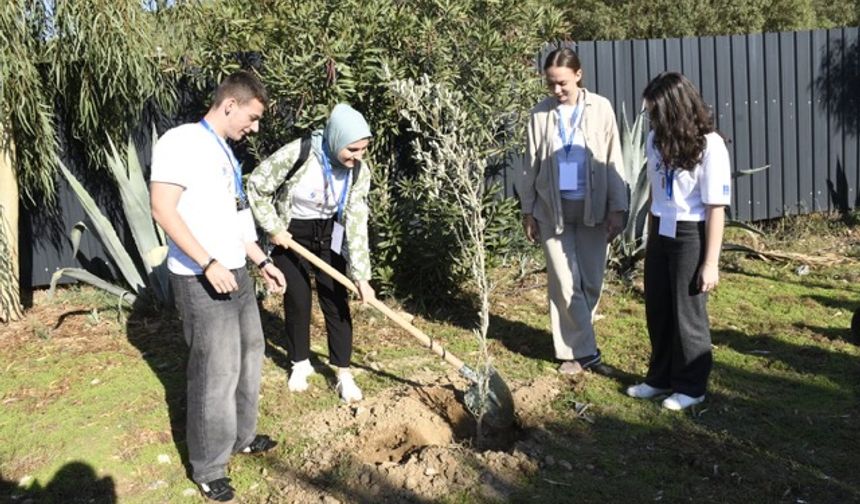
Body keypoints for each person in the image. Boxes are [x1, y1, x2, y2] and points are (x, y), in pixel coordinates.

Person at [150, 70, 286, 502]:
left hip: (235, 271)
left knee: (250, 355)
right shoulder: (181, 142)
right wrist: (206, 262)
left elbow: (233, 215)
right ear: (229, 104)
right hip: (201, 277)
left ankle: (241, 437)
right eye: (252, 116)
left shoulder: (226, 152)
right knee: (215, 372)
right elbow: (162, 209)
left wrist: (259, 259)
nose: (256, 127)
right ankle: (209, 467)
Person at [247, 103, 374, 403]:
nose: (357, 157)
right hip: (291, 234)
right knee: (298, 298)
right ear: (335, 139)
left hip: (331, 233)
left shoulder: (359, 172)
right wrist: (274, 228)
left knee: (336, 299)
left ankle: (343, 372)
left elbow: (356, 221)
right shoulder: (301, 153)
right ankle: (299, 363)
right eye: (352, 150)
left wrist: (362, 276)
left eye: (363, 150)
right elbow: (257, 185)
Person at [519, 47, 628, 375]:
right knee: (565, 283)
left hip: (594, 208)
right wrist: (528, 211)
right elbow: (528, 167)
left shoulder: (601, 109)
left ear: (578, 75)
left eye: (562, 83)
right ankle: (581, 353)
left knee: (591, 282)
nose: (556, 90)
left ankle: (580, 341)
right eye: (550, 84)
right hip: (552, 209)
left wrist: (618, 207)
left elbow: (613, 159)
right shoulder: (539, 115)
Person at [626, 72, 731, 411]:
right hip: (660, 227)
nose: (651, 117)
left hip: (691, 232)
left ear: (675, 108)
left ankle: (691, 386)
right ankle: (659, 378)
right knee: (657, 307)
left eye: (656, 110)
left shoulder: (710, 144)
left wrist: (710, 263)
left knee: (688, 313)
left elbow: (716, 207)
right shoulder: (655, 138)